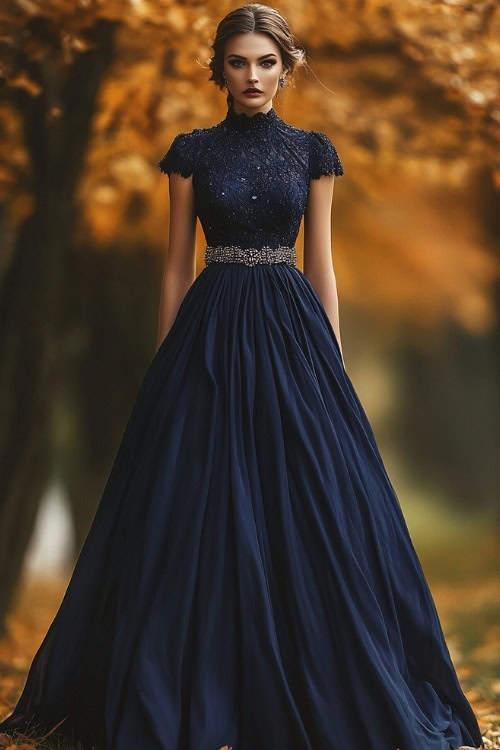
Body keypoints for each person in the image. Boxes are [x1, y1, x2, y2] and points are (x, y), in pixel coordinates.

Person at [0, 4, 485, 750]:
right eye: (238, 62)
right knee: (189, 501)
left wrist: (333, 361)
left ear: (286, 69)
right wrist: (166, 362)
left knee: (311, 500)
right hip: (211, 327)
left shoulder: (312, 153)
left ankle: (314, 677)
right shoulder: (191, 152)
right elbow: (174, 265)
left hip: (293, 331)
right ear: (218, 70)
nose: (253, 76)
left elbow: (321, 263)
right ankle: (185, 681)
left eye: (266, 62)